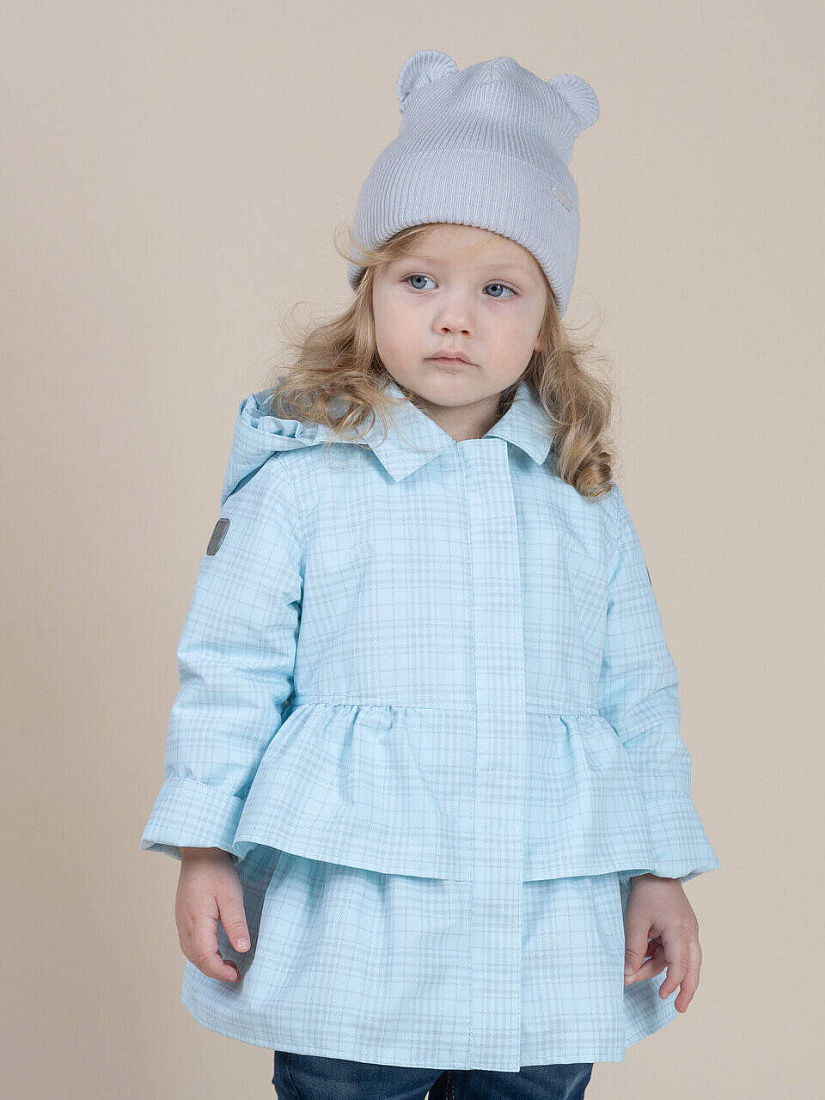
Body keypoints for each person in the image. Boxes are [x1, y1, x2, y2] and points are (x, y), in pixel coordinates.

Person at [139, 50, 721, 1099]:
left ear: (543, 322)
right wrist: (203, 845)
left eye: (498, 288)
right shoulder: (302, 483)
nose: (456, 316)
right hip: (360, 927)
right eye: (420, 280)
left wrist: (658, 868)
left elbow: (639, 693)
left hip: (544, 928)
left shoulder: (581, 500)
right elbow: (230, 667)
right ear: (369, 295)